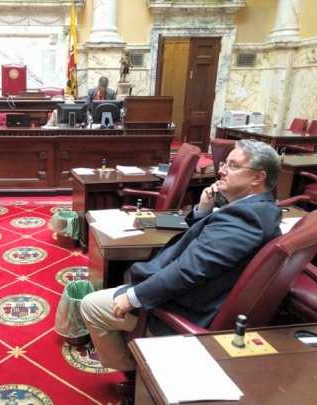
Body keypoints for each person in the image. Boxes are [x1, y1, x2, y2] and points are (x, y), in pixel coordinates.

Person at [80, 139, 282, 392]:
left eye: (233, 165)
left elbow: (190, 270)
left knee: (90, 306)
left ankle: (135, 375)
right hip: (195, 289)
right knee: (125, 273)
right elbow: (211, 249)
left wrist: (135, 297)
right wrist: (204, 211)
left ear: (257, 177)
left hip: (184, 307)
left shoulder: (245, 218)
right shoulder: (259, 208)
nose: (221, 170)